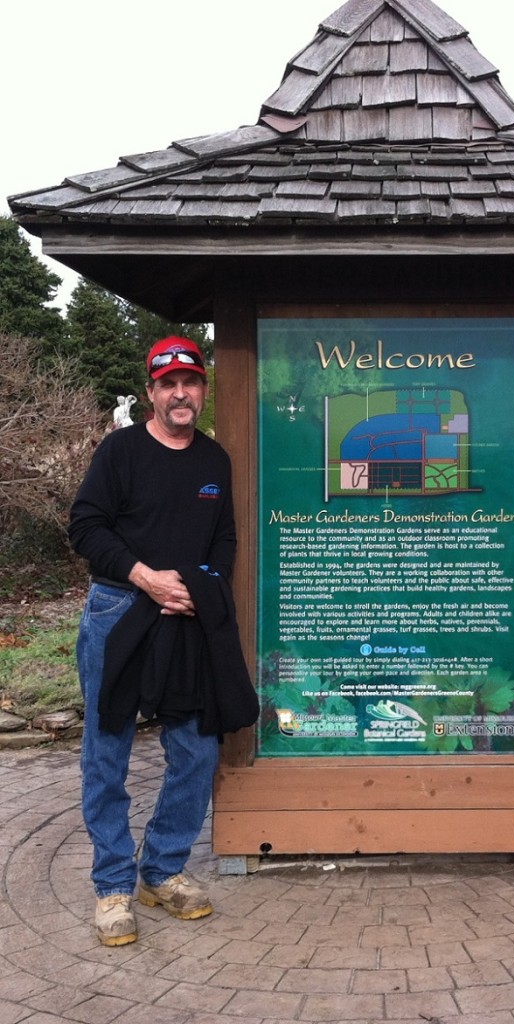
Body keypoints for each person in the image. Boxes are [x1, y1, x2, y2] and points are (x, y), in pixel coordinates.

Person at [69, 336, 258, 946]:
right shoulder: (120, 451)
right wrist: (146, 577)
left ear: (202, 390)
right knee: (108, 750)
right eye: (168, 383)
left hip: (183, 617)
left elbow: (223, 541)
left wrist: (196, 590)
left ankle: (163, 871)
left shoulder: (213, 460)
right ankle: (113, 885)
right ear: (150, 392)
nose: (181, 393)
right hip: (120, 610)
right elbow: (86, 526)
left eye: (191, 382)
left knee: (197, 749)